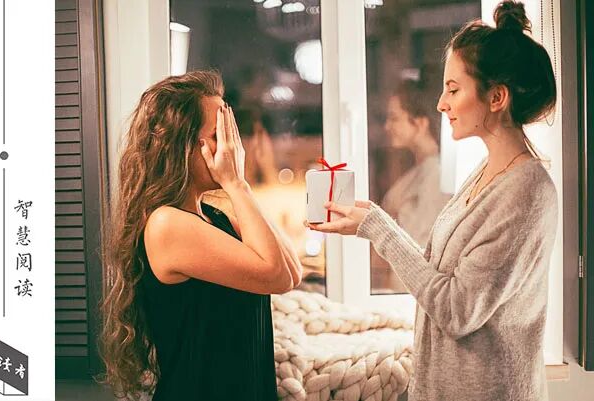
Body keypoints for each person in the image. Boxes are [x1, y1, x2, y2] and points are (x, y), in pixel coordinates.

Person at [307, 2, 557, 400]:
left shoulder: (527, 193)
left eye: (453, 89)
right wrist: (369, 220)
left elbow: (456, 311)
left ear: (497, 97)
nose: (441, 103)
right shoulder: (487, 171)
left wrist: (379, 229)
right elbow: (437, 271)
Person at [98, 71, 302, 401]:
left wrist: (241, 186)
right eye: (220, 135)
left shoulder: (215, 215)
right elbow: (276, 276)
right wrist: (236, 184)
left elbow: (291, 271)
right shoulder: (166, 225)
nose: (233, 148)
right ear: (182, 145)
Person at [381, 78, 452, 247]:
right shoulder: (420, 171)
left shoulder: (436, 175)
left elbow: (421, 243)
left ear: (420, 123)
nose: (387, 126)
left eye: (394, 118)